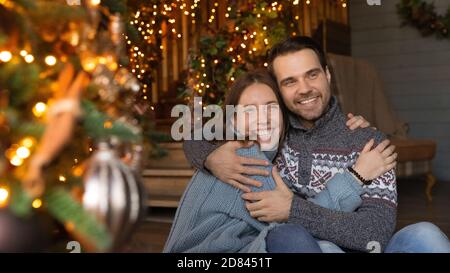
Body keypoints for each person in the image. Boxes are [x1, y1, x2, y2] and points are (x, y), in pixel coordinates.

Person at [183, 36, 450, 253]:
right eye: (290, 81)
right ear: (279, 90)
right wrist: (211, 156)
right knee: (321, 247)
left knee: (426, 235)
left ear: (327, 75)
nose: (304, 89)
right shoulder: (273, 134)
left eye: (312, 75)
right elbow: (198, 129)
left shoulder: (369, 143)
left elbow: (375, 235)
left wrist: (292, 210)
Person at [164, 70, 397, 253]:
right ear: (232, 120)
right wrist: (356, 176)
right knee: (295, 238)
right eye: (249, 110)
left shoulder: (263, 154)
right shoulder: (244, 158)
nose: (262, 119)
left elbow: (296, 213)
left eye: (270, 107)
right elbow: (303, 220)